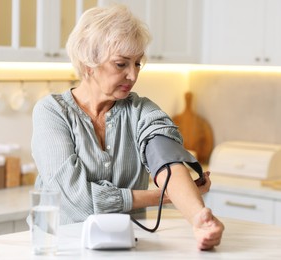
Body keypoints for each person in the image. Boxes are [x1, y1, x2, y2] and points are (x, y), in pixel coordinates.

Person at [31, 4, 224, 250]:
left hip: (123, 246)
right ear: (89, 63)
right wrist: (165, 196)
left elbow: (168, 164)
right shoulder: (52, 112)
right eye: (121, 64)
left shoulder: (142, 111)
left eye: (137, 64)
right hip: (59, 247)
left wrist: (199, 219)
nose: (133, 75)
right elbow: (75, 199)